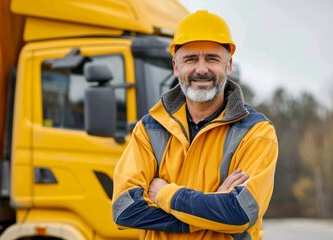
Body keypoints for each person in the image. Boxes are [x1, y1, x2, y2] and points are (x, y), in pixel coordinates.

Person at [112, 10, 278, 240]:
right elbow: (124, 209)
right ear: (175, 67)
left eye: (212, 58)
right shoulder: (149, 129)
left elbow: (240, 212)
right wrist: (210, 210)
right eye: (190, 59)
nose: (201, 69)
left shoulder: (256, 133)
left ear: (228, 66)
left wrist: (165, 195)